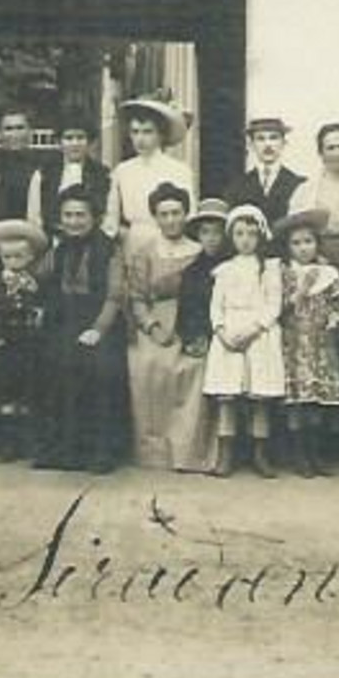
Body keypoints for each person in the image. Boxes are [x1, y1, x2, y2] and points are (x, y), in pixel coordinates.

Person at [36, 187, 128, 473]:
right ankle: (61, 449)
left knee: (98, 367)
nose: (74, 221)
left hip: (102, 323)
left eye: (80, 215)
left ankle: (100, 451)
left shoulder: (109, 249)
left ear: (95, 218)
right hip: (66, 322)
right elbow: (45, 284)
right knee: (50, 362)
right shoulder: (58, 249)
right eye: (68, 215)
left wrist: (97, 330)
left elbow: (115, 297)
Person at [203, 204, 286, 478]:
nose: (246, 239)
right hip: (229, 335)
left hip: (259, 334)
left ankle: (260, 454)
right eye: (239, 233)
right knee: (227, 397)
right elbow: (215, 306)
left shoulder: (269, 268)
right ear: (232, 237)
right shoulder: (224, 270)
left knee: (259, 398)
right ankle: (226, 454)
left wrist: (255, 329)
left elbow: (274, 305)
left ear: (261, 236)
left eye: (252, 233)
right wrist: (222, 331)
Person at [125, 182, 202, 469]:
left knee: (194, 367)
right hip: (156, 321)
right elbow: (136, 296)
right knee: (146, 364)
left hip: (191, 322)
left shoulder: (198, 252)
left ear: (185, 214)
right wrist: (152, 326)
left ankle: (186, 453)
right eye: (163, 214)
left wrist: (196, 332)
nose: (170, 220)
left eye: (176, 213)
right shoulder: (145, 252)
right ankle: (153, 452)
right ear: (155, 217)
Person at [274, 209, 339, 477]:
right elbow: (277, 308)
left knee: (317, 401)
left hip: (321, 343)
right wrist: (301, 291)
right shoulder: (284, 274)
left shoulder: (328, 272)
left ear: (317, 243)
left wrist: (335, 320)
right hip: (293, 342)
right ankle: (299, 455)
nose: (303, 248)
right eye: (296, 243)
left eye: (308, 241)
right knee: (297, 401)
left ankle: (317, 453)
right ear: (288, 247)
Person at [0, 219, 50, 462]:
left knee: (30, 392)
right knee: (4, 394)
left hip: (30, 345)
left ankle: (30, 442)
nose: (13, 262)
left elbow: (43, 308)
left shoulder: (36, 284)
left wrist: (37, 309)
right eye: (7, 257)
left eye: (19, 257)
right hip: (5, 346)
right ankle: (6, 443)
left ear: (30, 258)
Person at [172, 197, 231, 475]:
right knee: (195, 369)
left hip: (233, 335)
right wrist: (195, 337)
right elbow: (187, 312)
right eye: (206, 232)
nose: (211, 238)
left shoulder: (237, 266)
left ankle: (234, 449)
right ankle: (199, 451)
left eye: (217, 232)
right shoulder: (193, 271)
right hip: (206, 337)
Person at [105, 96, 195, 248]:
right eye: (135, 132)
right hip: (133, 242)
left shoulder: (180, 170)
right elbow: (111, 218)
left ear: (161, 135)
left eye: (147, 132)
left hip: (170, 242)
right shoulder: (122, 171)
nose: (140, 139)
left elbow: (190, 214)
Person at [289, 122, 339, 265]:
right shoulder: (305, 190)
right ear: (321, 152)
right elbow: (295, 234)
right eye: (330, 148)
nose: (337, 153)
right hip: (317, 261)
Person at [26, 120, 111, 235]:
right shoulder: (44, 174)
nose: (75, 143)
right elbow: (34, 216)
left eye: (80, 138)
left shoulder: (103, 174)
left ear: (90, 142)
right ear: (59, 142)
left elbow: (107, 216)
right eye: (69, 138)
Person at [224, 116, 307, 228]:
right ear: (251, 145)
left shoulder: (298, 184)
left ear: (284, 143)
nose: (268, 144)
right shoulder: (237, 185)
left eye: (273, 138)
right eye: (260, 138)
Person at [0, 107, 41, 222]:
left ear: (30, 133)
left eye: (20, 128)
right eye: (8, 129)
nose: (14, 134)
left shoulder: (43, 169)